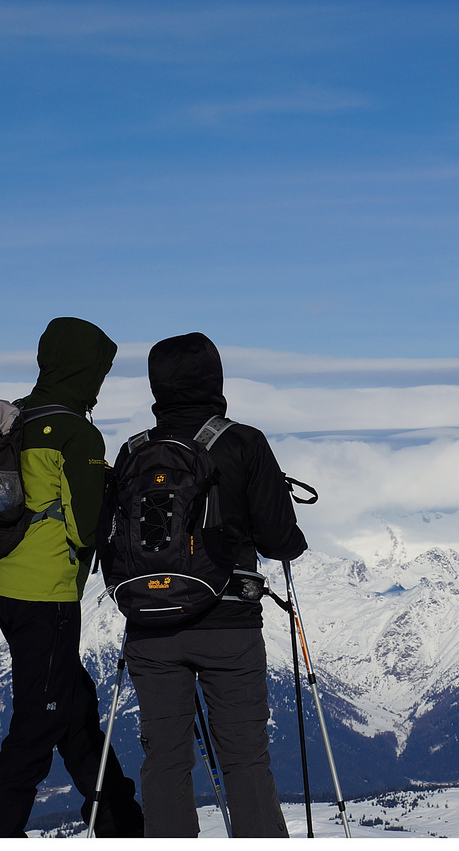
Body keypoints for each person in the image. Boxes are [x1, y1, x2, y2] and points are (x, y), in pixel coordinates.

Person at [119, 332, 307, 838]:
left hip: (150, 626)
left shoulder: (135, 451)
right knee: (244, 760)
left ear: (157, 384)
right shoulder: (243, 442)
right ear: (215, 378)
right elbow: (279, 539)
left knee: (164, 759)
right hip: (228, 624)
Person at [0, 317, 145, 837]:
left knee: (73, 708)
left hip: (5, 583)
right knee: (38, 721)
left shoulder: (18, 418)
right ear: (84, 369)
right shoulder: (76, 431)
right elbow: (87, 525)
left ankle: (120, 821)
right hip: (45, 593)